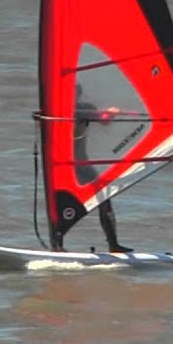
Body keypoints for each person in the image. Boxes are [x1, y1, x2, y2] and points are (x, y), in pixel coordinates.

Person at [51, 83, 132, 253]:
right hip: (59, 167)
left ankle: (113, 244)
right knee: (59, 202)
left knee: (104, 197)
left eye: (74, 95)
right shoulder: (55, 111)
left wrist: (109, 114)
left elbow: (103, 120)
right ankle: (57, 245)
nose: (71, 98)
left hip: (81, 165)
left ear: (78, 96)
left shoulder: (84, 109)